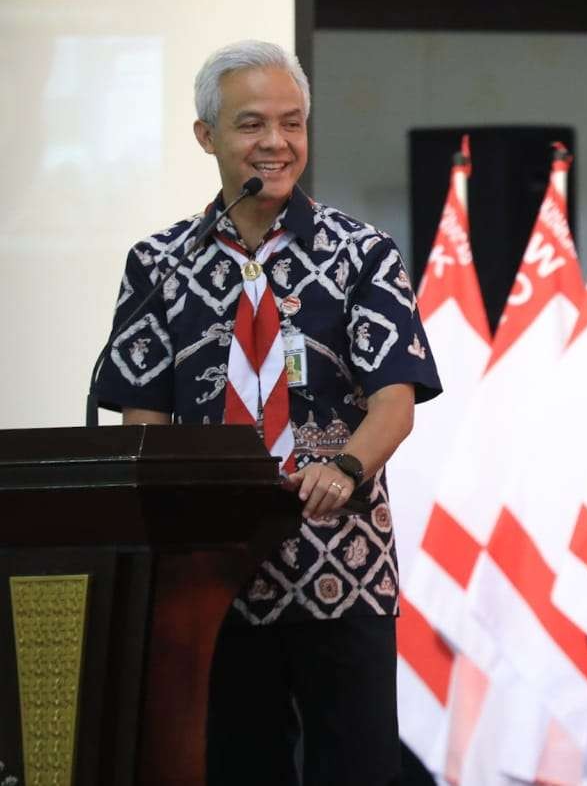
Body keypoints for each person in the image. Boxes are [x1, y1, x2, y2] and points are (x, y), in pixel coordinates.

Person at [95, 39, 441, 786]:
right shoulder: (160, 263)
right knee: (233, 767)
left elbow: (395, 400)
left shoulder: (364, 254)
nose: (277, 143)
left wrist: (346, 467)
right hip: (211, 580)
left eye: (293, 124)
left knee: (357, 772)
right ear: (206, 136)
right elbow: (143, 422)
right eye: (253, 125)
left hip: (340, 569)